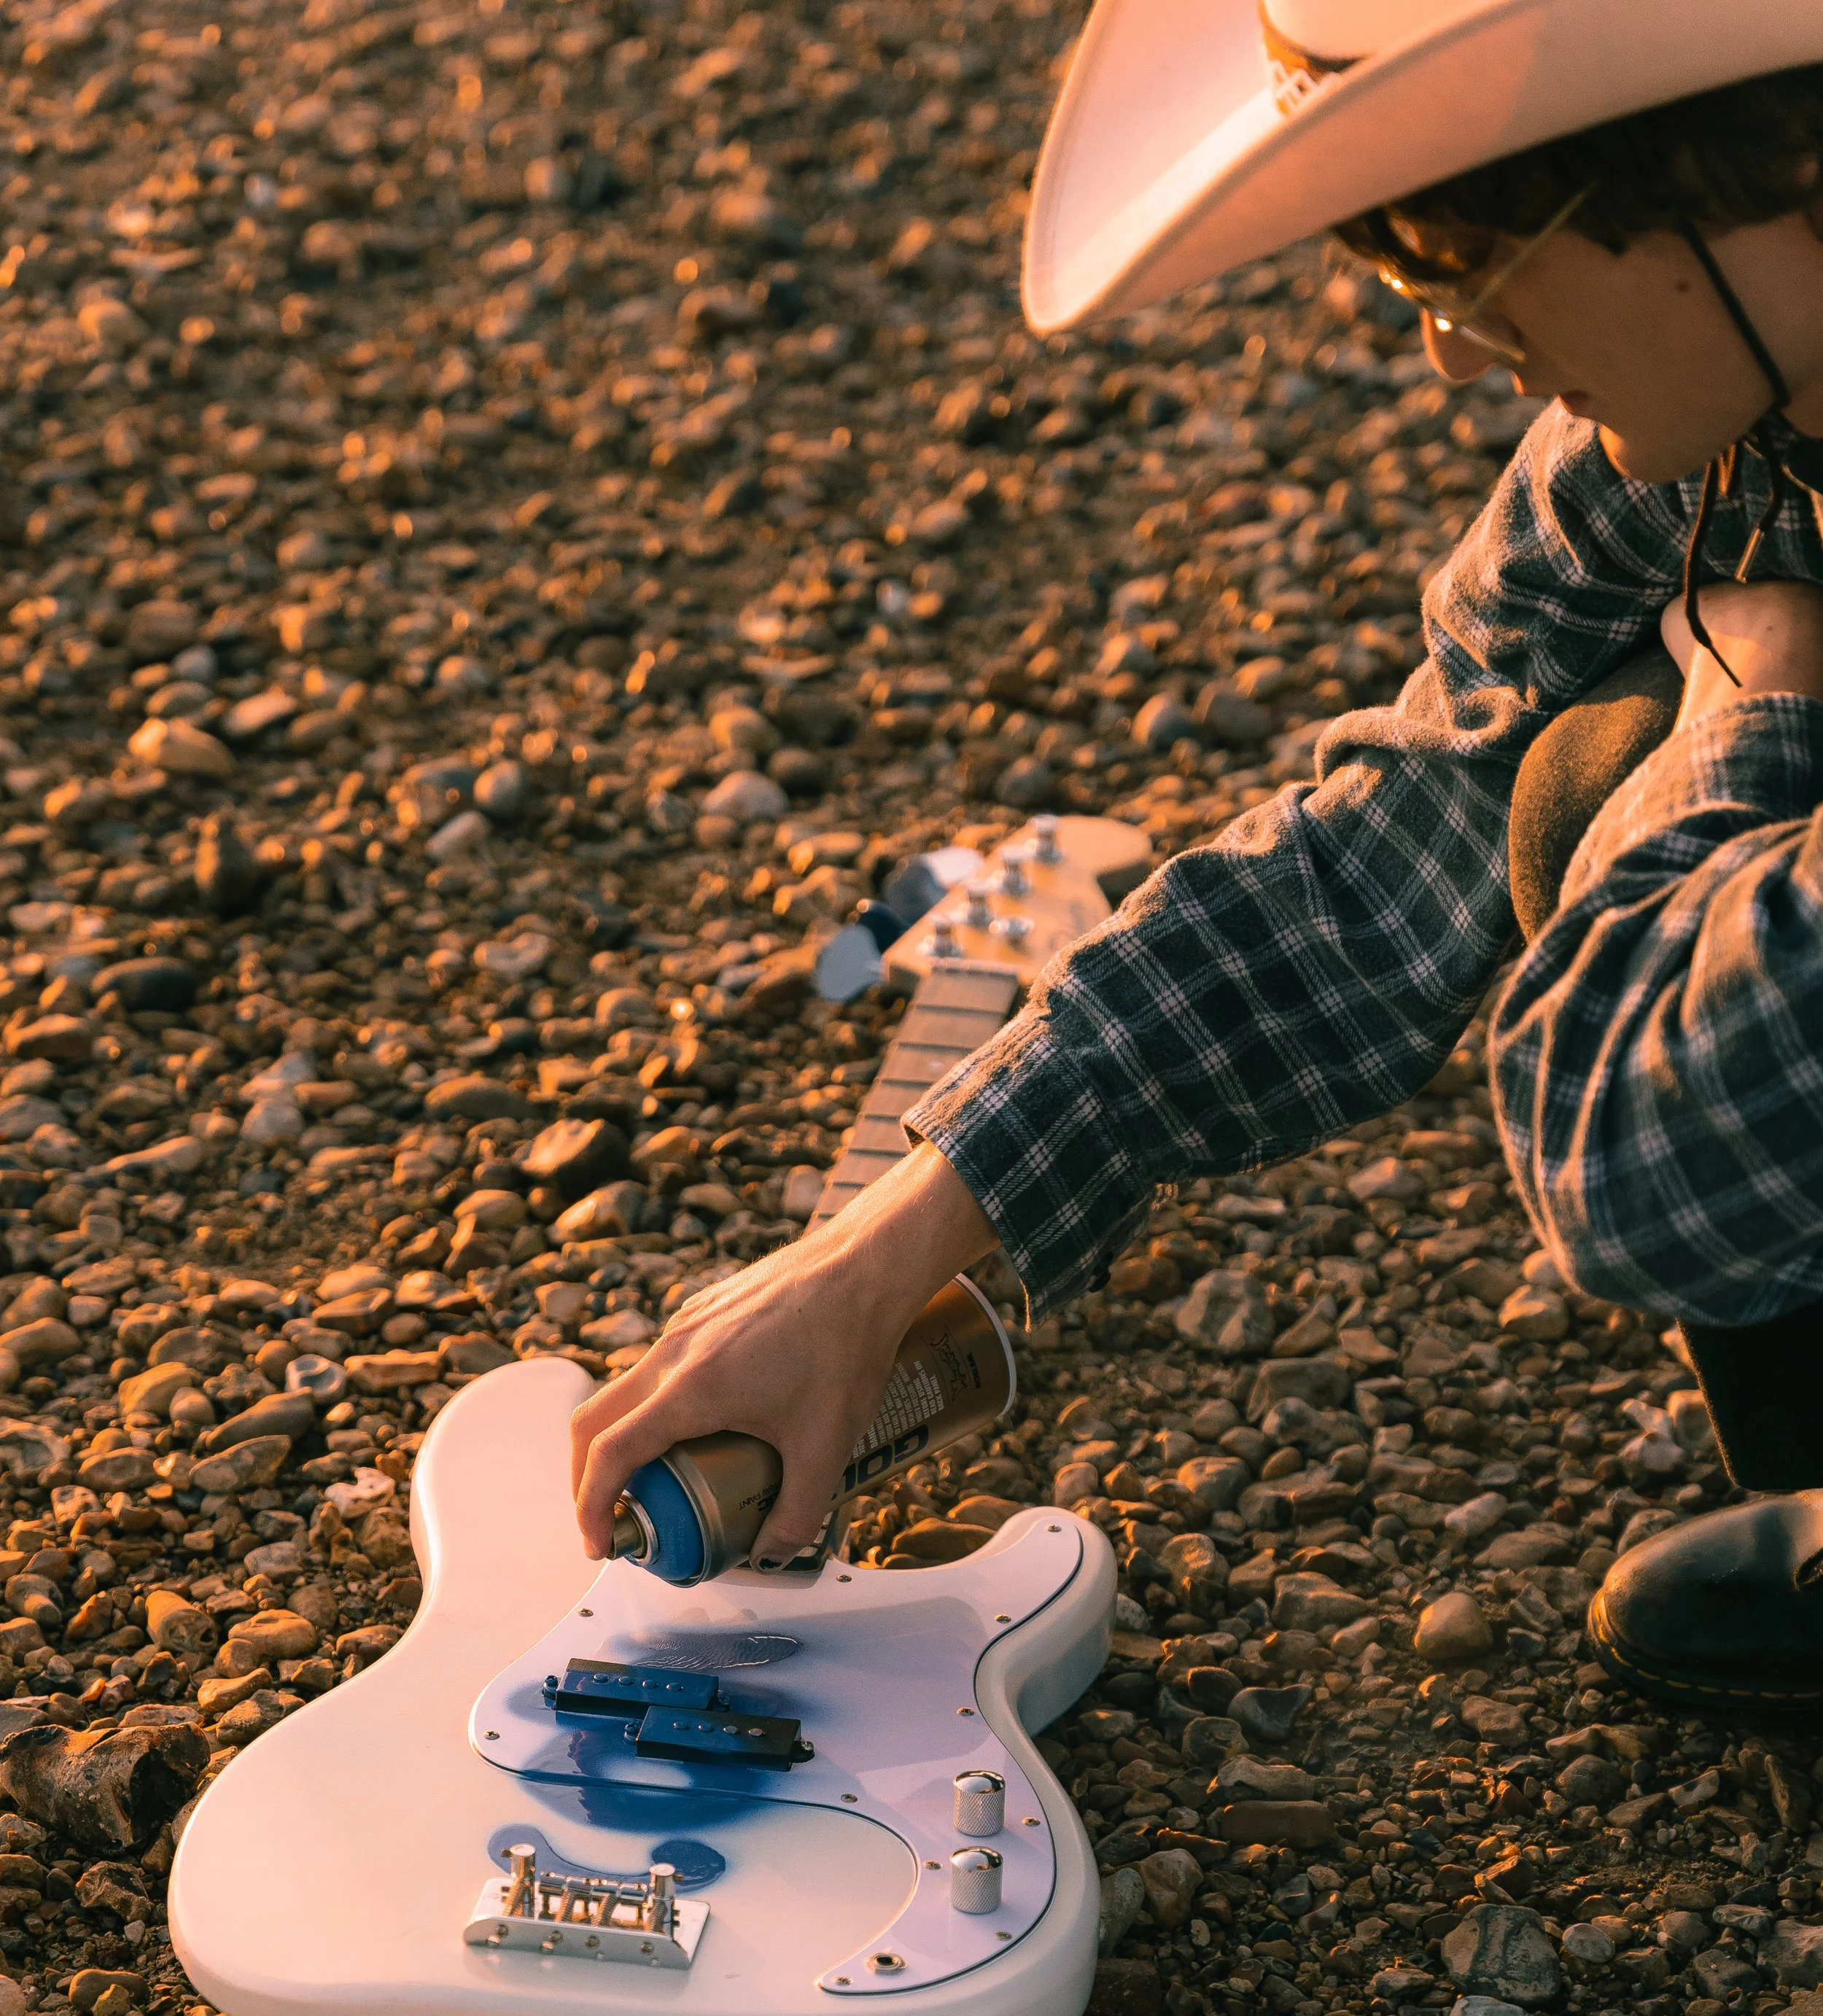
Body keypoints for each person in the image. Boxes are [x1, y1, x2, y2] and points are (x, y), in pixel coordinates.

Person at [574, 0, 1823, 1710]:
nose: (1456, 349)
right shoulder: (1721, 431)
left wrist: (1749, 716)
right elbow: (1383, 846)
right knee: (1569, 761)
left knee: (1641, 780)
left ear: (1779, 163)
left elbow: (1647, 1158)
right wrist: (875, 1259)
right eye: (1405, 274)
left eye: (1472, 253)